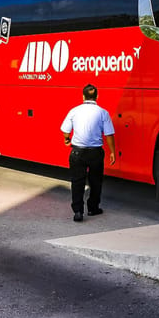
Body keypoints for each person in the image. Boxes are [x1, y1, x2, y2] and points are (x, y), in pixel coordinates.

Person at [60, 84, 116, 222]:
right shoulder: (103, 112)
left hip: (77, 152)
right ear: (97, 96)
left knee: (77, 182)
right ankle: (93, 208)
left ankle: (78, 211)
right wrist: (113, 152)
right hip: (95, 153)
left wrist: (67, 140)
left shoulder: (74, 111)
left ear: (83, 96)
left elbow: (65, 131)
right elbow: (109, 134)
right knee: (96, 182)